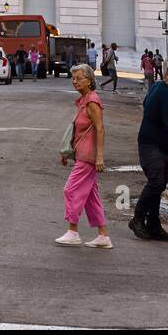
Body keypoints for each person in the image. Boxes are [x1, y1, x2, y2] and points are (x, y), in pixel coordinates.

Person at [129, 58, 168, 242]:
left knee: (160, 183)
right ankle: (138, 219)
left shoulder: (158, 87)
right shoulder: (166, 94)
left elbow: (147, 106)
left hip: (155, 145)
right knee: (156, 183)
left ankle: (154, 226)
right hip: (151, 145)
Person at [57, 62, 111, 248]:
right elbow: (77, 130)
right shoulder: (83, 100)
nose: (75, 81)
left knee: (70, 190)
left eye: (79, 78)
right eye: (73, 78)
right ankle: (103, 236)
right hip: (82, 154)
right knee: (90, 196)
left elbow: (100, 129)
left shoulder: (92, 101)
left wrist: (100, 157)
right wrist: (67, 151)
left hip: (89, 156)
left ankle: (73, 231)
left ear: (90, 80)